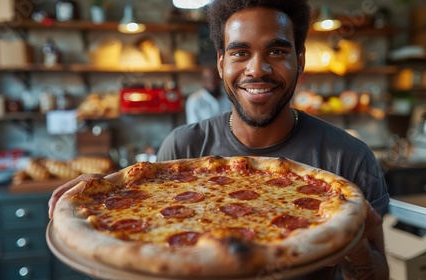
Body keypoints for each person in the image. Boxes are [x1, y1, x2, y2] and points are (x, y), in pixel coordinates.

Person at [48, 0, 389, 279]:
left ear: (300, 61)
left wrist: (350, 236)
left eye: (276, 52)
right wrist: (101, 196)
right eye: (241, 53)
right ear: (222, 62)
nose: (257, 70)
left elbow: (378, 274)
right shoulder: (182, 147)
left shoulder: (350, 158)